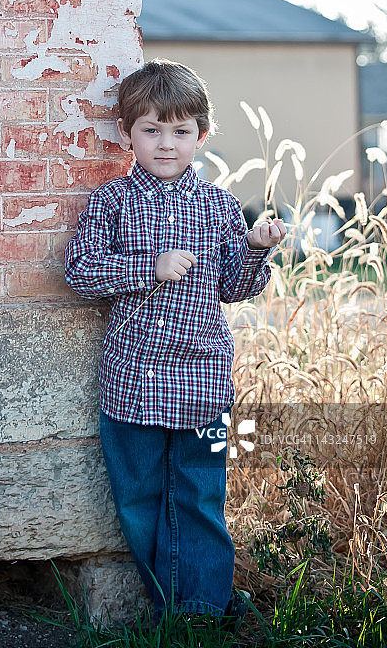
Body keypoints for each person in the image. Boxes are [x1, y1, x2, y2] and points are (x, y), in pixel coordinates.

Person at [64, 59, 286, 624]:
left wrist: (255, 248)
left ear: (201, 136)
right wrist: (150, 267)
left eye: (181, 131)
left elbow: (233, 287)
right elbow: (81, 271)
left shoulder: (219, 205)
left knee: (200, 499)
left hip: (201, 382)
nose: (166, 143)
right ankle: (171, 607)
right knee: (138, 501)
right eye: (151, 129)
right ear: (127, 133)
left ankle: (204, 611)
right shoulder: (111, 202)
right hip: (132, 381)